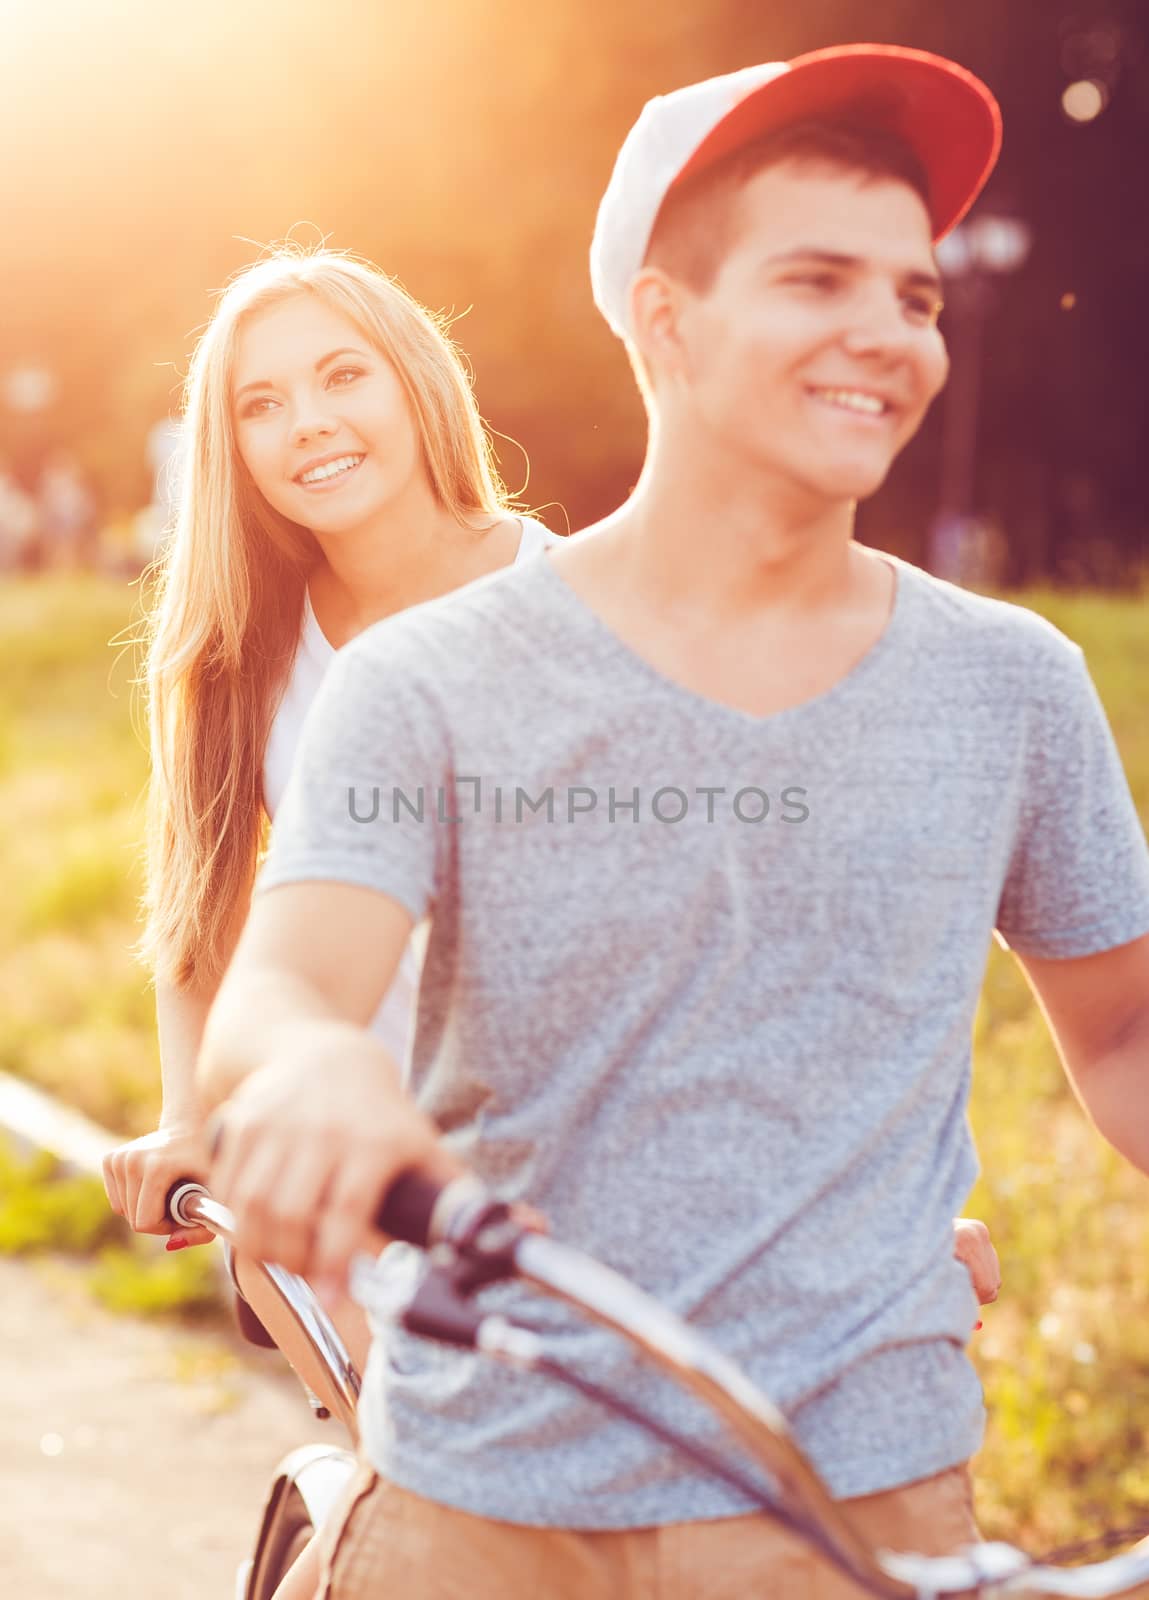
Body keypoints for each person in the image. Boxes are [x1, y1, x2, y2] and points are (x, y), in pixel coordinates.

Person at [191, 44, 1138, 1598]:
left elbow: (1120, 1038)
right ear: (663, 320)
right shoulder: (431, 679)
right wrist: (313, 1074)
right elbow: (284, 990)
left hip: (855, 1507)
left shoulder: (1010, 683)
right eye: (818, 280)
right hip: (480, 1501)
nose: (886, 335)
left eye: (912, 295)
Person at [100, 246, 558, 1599]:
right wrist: (198, 1123)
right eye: (260, 403)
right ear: (228, 446)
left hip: (566, 1144)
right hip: (342, 1169)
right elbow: (201, 917)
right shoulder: (237, 652)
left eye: (340, 374)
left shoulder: (572, 600)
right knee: (426, 1529)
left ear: (415, 383)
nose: (307, 423)